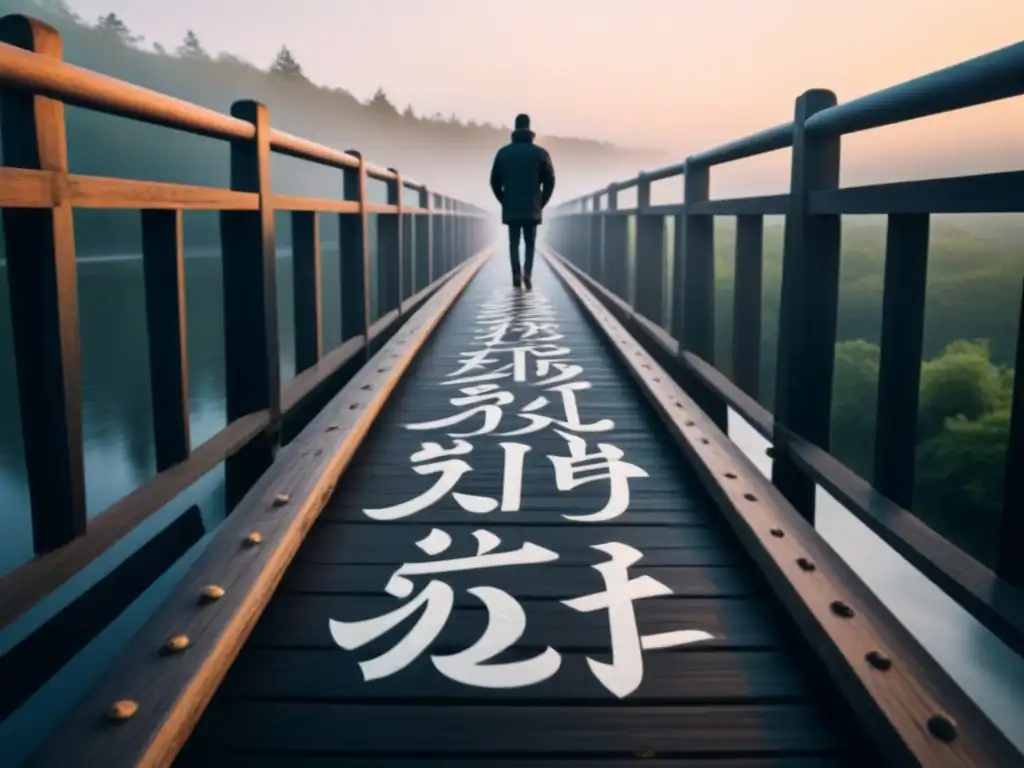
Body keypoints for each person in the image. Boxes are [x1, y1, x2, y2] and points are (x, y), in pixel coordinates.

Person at [489, 113, 556, 289]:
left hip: (511, 206)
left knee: (513, 242)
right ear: (529, 129)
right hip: (532, 205)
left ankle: (516, 275)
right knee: (530, 242)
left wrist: (504, 200)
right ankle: (528, 273)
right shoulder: (540, 153)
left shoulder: (503, 153)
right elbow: (550, 180)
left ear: (515, 129)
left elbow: (494, 181)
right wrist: (541, 202)